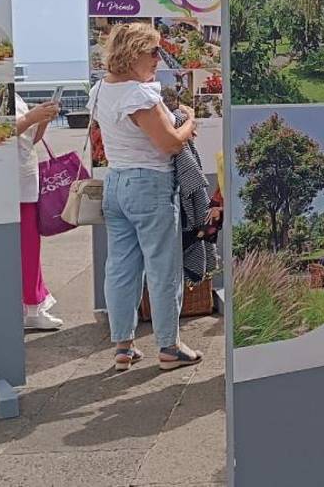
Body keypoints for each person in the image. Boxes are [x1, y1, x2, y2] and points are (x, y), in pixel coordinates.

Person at [90, 22, 203, 372]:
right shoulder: (140, 95)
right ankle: (169, 347)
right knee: (162, 268)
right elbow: (170, 144)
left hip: (116, 182)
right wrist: (190, 121)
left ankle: (123, 347)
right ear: (133, 53)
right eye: (153, 52)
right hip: (149, 184)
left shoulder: (101, 89)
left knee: (121, 267)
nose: (158, 58)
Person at [16, 95, 63, 330]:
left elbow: (30, 139)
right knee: (25, 247)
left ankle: (33, 305)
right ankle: (31, 306)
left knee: (30, 246)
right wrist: (30, 118)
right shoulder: (2, 92)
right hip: (9, 184)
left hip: (25, 182)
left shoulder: (15, 96)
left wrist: (41, 120)